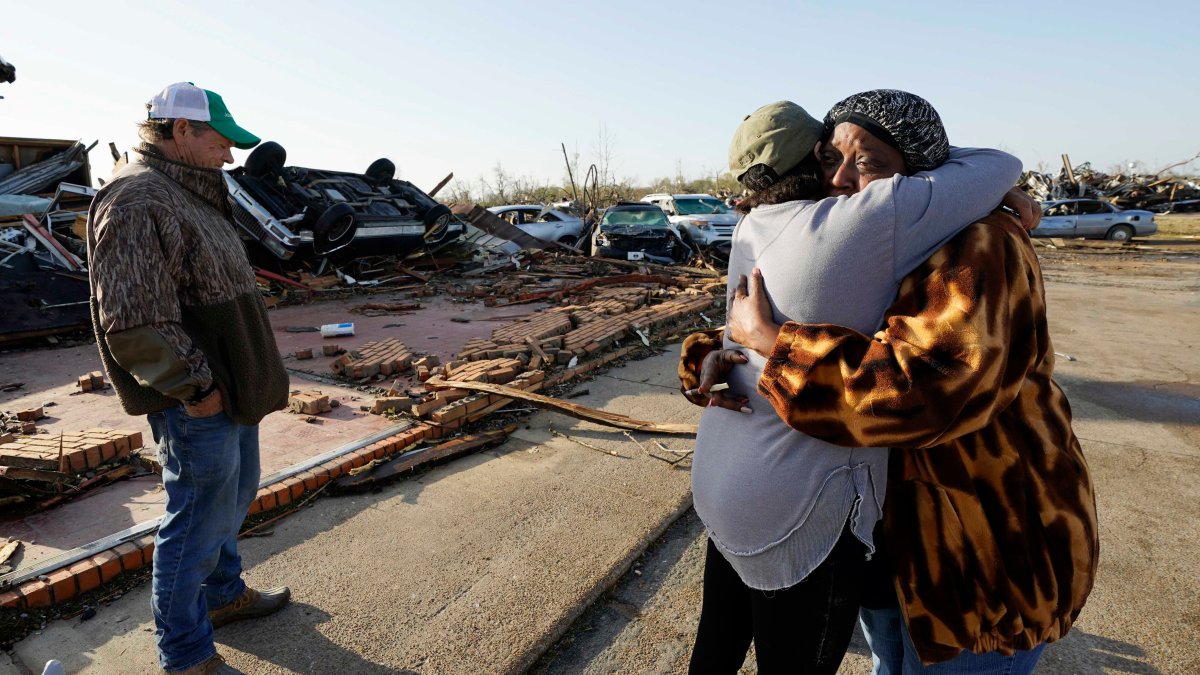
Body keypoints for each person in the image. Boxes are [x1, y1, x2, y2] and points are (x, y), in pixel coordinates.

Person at [683, 91, 1098, 673]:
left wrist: (775, 345)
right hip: (895, 542)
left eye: (871, 163)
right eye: (831, 159)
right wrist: (716, 353)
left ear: (922, 170)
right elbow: (824, 310)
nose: (841, 181)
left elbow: (919, 396)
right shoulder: (872, 229)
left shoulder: (981, 244)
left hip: (977, 549)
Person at [87, 82, 292, 675]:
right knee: (195, 522)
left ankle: (223, 596)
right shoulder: (137, 198)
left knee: (228, 500)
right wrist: (196, 388)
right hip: (198, 397)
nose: (230, 155)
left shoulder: (190, 190)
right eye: (223, 142)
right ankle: (184, 654)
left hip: (230, 389)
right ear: (182, 130)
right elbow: (132, 319)